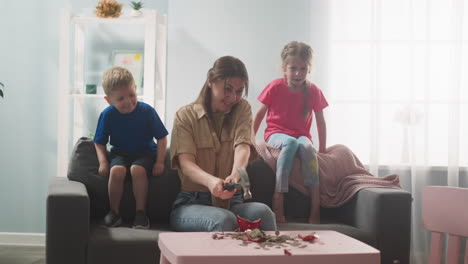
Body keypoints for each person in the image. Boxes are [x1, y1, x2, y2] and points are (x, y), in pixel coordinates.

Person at [169, 56, 276, 231]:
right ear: (211, 81)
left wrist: (235, 176)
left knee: (264, 213)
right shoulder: (185, 116)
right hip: (191, 203)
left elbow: (243, 147)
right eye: (228, 89)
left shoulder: (242, 109)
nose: (233, 97)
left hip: (232, 202)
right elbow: (186, 164)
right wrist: (211, 183)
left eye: (239, 91)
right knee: (223, 220)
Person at [253, 41, 328, 224]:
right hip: (276, 134)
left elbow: (320, 122)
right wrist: (250, 140)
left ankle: (315, 205)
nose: (297, 73)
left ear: (309, 69)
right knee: (291, 143)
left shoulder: (313, 91)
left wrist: (323, 148)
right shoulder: (275, 87)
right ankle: (279, 196)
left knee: (308, 148)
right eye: (293, 68)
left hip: (301, 135)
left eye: (303, 69)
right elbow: (259, 115)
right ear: (284, 68)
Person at [94, 67, 168, 229]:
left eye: (131, 95)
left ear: (135, 89)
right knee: (117, 171)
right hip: (120, 153)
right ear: (109, 100)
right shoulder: (107, 115)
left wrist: (160, 162)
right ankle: (114, 212)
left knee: (137, 170)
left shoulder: (147, 111)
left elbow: (162, 137)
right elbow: (99, 142)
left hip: (145, 153)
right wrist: (103, 162)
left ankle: (141, 213)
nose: (128, 101)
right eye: (120, 99)